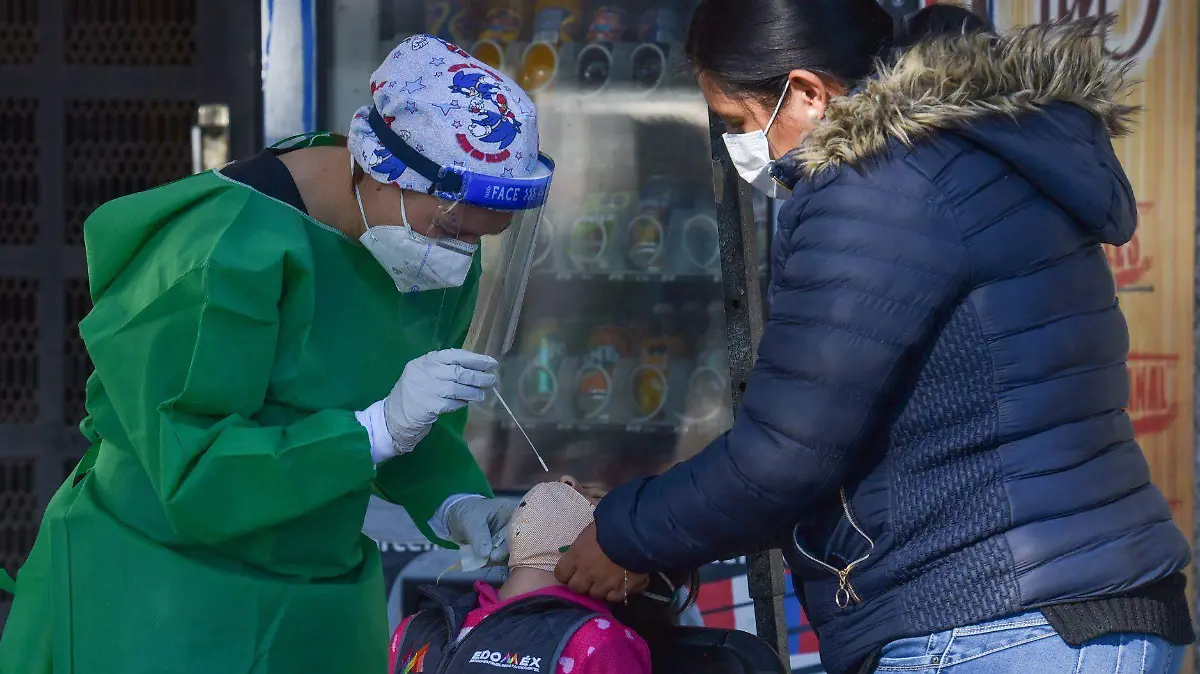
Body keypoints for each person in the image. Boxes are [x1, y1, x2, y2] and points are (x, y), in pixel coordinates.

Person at [555, 4, 1195, 674]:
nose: (742, 148)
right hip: (1083, 610)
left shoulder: (877, 184)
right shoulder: (973, 148)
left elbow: (785, 454)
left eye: (739, 124)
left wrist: (625, 534)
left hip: (993, 621)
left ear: (805, 92)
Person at [0, 35, 554, 674]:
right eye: (456, 232)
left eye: (482, 239)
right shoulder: (220, 251)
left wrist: (455, 503)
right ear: (379, 168)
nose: (461, 257)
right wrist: (373, 431)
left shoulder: (427, 242)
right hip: (163, 597)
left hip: (321, 598)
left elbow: (413, 428)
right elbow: (196, 473)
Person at [388, 476, 698, 674]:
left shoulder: (601, 645)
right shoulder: (416, 630)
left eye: (594, 499)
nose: (568, 481)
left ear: (624, 571)